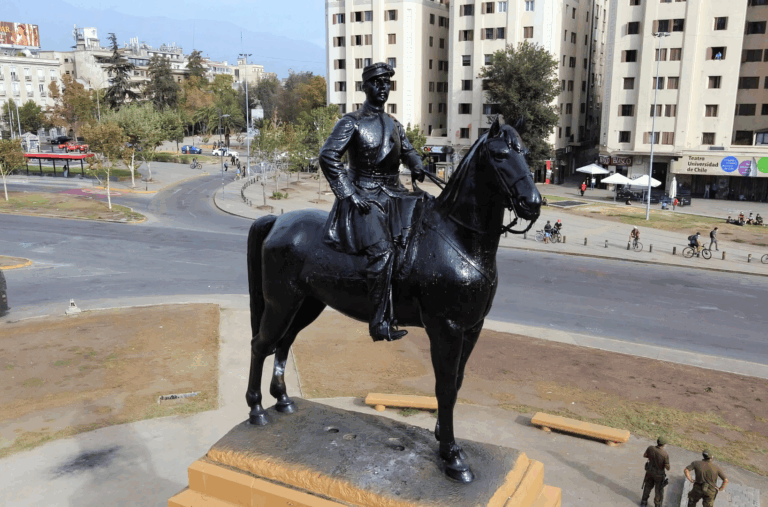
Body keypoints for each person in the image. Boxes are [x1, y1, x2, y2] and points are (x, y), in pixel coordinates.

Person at [319, 62, 425, 343]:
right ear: (364, 87)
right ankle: (379, 322)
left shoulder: (394, 124)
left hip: (395, 194)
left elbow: (410, 151)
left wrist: (416, 164)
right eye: (377, 83)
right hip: (364, 198)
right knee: (383, 253)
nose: (382, 88)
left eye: (386, 83)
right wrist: (349, 193)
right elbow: (328, 156)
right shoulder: (351, 122)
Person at [641, 437, 670, 507]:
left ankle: (644, 502)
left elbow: (644, 455)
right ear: (664, 445)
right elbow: (668, 468)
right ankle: (657, 505)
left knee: (647, 487)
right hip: (659, 475)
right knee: (658, 491)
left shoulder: (650, 448)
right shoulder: (664, 454)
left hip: (649, 471)